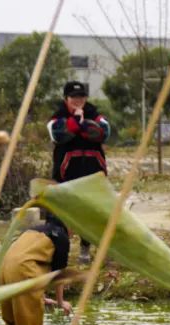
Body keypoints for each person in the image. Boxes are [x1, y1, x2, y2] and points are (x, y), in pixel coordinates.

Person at [48, 80, 111, 264]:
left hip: (93, 171)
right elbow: (58, 133)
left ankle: (89, 248)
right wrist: (75, 123)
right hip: (67, 173)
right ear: (66, 98)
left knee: (94, 212)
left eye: (81, 97)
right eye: (74, 97)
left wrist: (82, 125)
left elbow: (103, 132)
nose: (78, 100)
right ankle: (59, 251)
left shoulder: (94, 113)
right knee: (63, 213)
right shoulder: (57, 116)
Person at [0, 210, 73, 325]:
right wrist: (60, 303)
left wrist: (42, 297)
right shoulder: (60, 236)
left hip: (5, 270)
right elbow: (59, 274)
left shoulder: (33, 230)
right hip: (23, 271)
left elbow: (31, 260)